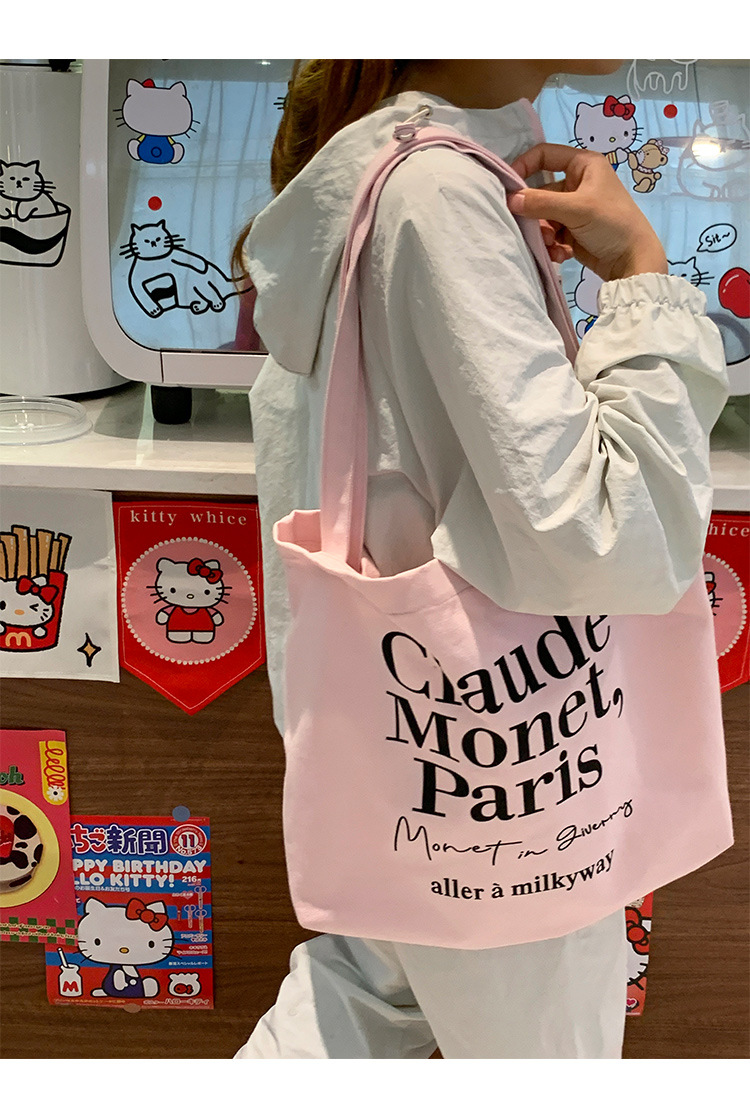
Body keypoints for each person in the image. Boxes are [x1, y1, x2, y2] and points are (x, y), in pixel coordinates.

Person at [232, 60, 729, 1059]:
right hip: (504, 770)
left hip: (419, 747)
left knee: (365, 995)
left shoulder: (391, 170)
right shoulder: (441, 194)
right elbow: (608, 536)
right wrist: (641, 273)